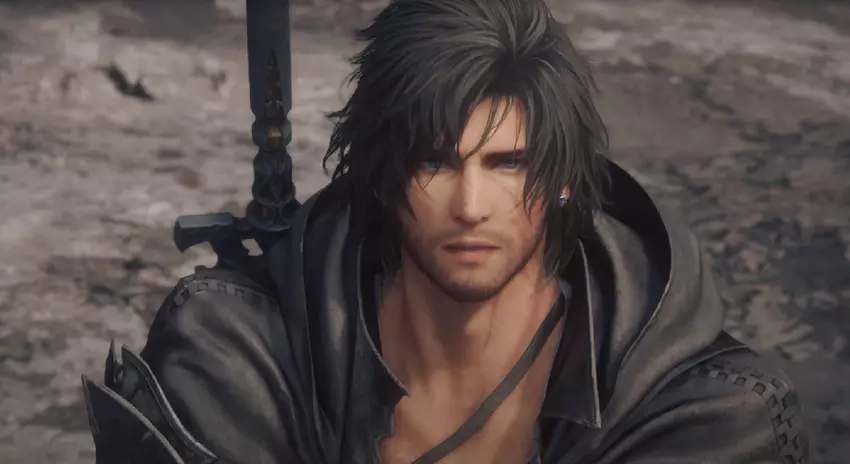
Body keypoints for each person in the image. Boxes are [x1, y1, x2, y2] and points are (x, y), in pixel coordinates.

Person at [81, 0, 808, 462]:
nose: (471, 204)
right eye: (435, 161)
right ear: (382, 175)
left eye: (509, 162)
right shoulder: (236, 357)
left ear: (563, 177)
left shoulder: (704, 415)